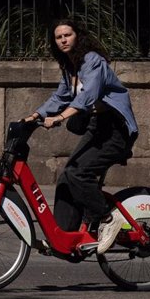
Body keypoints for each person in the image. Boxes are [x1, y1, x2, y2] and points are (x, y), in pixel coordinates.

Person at [22, 18, 138, 254]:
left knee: (79, 173)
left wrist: (60, 118)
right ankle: (63, 237)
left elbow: (88, 95)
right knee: (67, 176)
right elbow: (60, 96)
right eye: (58, 37)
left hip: (115, 129)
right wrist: (35, 115)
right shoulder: (70, 67)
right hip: (98, 127)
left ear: (78, 36)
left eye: (68, 35)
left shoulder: (93, 61)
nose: (63, 40)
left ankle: (107, 218)